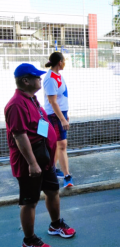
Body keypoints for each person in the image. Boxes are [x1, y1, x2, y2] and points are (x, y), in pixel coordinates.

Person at [5, 63, 76, 247]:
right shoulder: (15, 105)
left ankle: (55, 225)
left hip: (44, 159)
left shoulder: (32, 99)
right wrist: (32, 163)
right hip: (30, 163)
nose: (40, 79)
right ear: (25, 81)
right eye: (36, 77)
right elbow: (19, 136)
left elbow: (40, 126)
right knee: (30, 202)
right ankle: (29, 241)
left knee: (53, 191)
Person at [43, 52, 73, 188]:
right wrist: (62, 119)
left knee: (57, 145)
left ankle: (51, 170)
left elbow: (61, 99)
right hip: (54, 116)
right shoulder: (50, 78)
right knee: (62, 145)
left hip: (60, 114)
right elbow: (52, 102)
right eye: (64, 60)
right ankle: (67, 176)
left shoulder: (58, 75)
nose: (65, 63)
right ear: (60, 62)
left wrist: (65, 114)